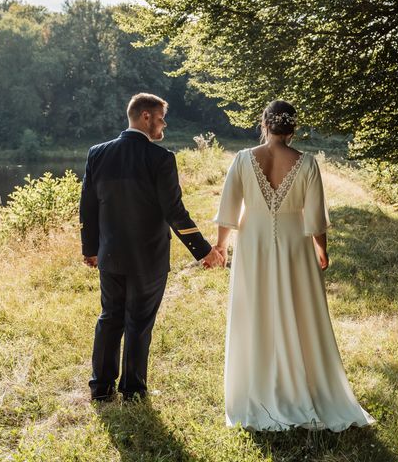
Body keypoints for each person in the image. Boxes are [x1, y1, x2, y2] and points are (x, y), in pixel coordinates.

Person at [213, 100, 375, 431]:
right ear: (293, 128)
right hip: (295, 243)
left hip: (253, 242)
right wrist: (321, 250)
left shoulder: (243, 159)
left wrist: (221, 247)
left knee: (255, 310)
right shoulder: (308, 163)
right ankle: (301, 386)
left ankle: (256, 388)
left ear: (264, 124)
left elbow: (228, 208)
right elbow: (315, 219)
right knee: (300, 311)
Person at [79, 93, 223, 402]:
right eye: (161, 118)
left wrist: (90, 249)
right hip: (148, 257)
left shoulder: (97, 154)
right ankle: (132, 390)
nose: (164, 124)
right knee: (139, 322)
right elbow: (175, 212)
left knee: (110, 317)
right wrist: (204, 250)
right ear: (146, 117)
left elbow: (87, 208)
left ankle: (100, 388)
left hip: (111, 255)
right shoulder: (161, 158)